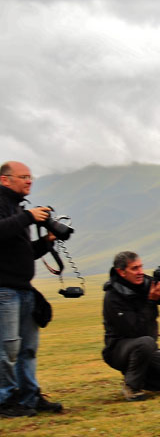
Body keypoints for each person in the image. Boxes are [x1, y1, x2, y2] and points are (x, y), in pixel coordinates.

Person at [0, 161, 63, 417]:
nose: (29, 181)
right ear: (5, 180)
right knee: (6, 349)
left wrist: (47, 242)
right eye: (23, 177)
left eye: (30, 176)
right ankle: (5, 401)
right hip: (4, 290)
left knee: (27, 348)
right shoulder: (9, 209)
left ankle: (29, 397)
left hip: (24, 289)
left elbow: (23, 253)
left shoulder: (16, 208)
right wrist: (28, 217)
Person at [102, 251, 160, 400]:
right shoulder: (113, 296)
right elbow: (134, 330)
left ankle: (138, 377)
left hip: (147, 347)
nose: (140, 272)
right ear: (121, 272)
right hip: (118, 350)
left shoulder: (147, 283)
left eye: (141, 267)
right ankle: (132, 387)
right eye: (134, 268)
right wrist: (150, 301)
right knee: (145, 342)